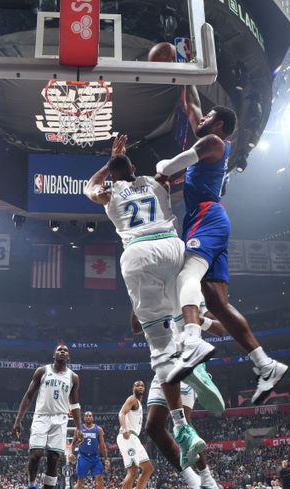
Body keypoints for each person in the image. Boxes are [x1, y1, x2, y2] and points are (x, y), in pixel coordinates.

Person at [85, 136, 219, 471]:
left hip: (137, 253)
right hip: (170, 245)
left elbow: (90, 186)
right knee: (187, 310)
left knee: (159, 349)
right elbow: (180, 172)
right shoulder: (155, 181)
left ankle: (182, 428)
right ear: (133, 168)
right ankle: (197, 360)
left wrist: (110, 161)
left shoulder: (108, 194)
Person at [155, 84, 287, 405]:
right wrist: (185, 74)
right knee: (217, 304)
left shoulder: (214, 142)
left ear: (218, 125)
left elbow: (168, 166)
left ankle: (192, 339)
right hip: (209, 218)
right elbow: (192, 104)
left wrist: (165, 173)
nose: (202, 118)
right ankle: (265, 364)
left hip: (206, 216)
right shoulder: (208, 136)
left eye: (209, 116)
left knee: (187, 277)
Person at [141, 308, 226, 489]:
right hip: (161, 364)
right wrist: (138, 304)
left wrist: (198, 319)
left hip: (185, 362)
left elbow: (221, 329)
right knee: (153, 427)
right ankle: (194, 482)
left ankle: (207, 482)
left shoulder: (189, 293)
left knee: (183, 427)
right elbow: (136, 327)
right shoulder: (149, 292)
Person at [12, 344, 81, 489]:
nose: (62, 352)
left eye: (65, 350)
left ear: (69, 357)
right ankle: (32, 486)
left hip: (60, 420)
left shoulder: (73, 377)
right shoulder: (42, 371)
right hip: (41, 417)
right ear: (53, 355)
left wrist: (79, 428)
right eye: (59, 349)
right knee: (35, 455)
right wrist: (18, 419)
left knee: (53, 460)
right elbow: (29, 395)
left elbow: (74, 404)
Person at [114, 381, 153, 489]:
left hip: (135, 438)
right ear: (133, 388)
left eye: (142, 385)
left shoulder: (140, 404)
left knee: (148, 468)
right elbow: (121, 414)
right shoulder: (132, 399)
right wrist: (125, 429)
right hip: (127, 436)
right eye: (137, 385)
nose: (140, 387)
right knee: (134, 470)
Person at [68, 411, 109, 489]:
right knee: (80, 480)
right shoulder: (79, 429)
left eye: (90, 415)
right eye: (86, 416)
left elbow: (102, 445)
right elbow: (73, 444)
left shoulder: (98, 429)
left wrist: (106, 459)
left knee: (99, 480)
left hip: (95, 457)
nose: (88, 417)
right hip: (83, 457)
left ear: (93, 417)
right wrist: (71, 453)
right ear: (84, 418)